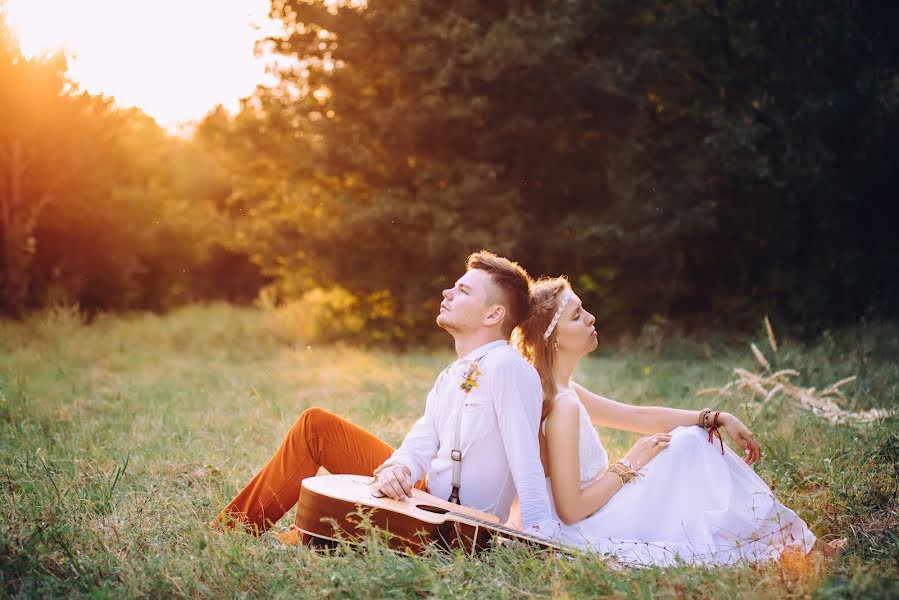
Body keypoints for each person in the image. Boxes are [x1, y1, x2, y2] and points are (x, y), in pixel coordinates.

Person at [215, 251, 556, 538]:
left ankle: (230, 534)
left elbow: (525, 458)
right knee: (319, 428)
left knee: (313, 427)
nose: (447, 292)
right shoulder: (451, 375)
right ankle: (293, 537)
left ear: (493, 314)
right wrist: (399, 468)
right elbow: (422, 442)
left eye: (463, 291)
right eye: (454, 286)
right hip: (420, 496)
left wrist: (540, 534)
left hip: (452, 525)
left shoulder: (508, 368)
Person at [512, 276, 844, 565]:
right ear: (553, 338)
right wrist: (629, 463)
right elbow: (570, 510)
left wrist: (713, 417)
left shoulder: (565, 391)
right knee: (689, 445)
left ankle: (790, 541)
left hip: (602, 509)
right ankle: (796, 545)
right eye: (576, 316)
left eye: (584, 309)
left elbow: (638, 415)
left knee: (690, 439)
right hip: (592, 525)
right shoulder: (562, 406)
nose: (591, 317)